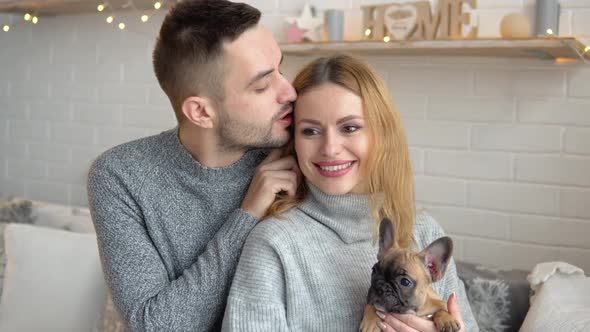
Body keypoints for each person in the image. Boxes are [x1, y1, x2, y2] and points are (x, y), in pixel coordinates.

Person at [222, 54, 479, 332]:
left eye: (350, 127)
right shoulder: (276, 244)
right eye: (310, 131)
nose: (330, 148)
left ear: (381, 133)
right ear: (293, 140)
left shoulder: (425, 232)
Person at [86, 0, 300, 330]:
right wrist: (246, 216)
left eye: (280, 70)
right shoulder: (120, 175)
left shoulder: (298, 152)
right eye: (261, 85)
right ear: (200, 112)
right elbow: (155, 325)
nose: (289, 92)